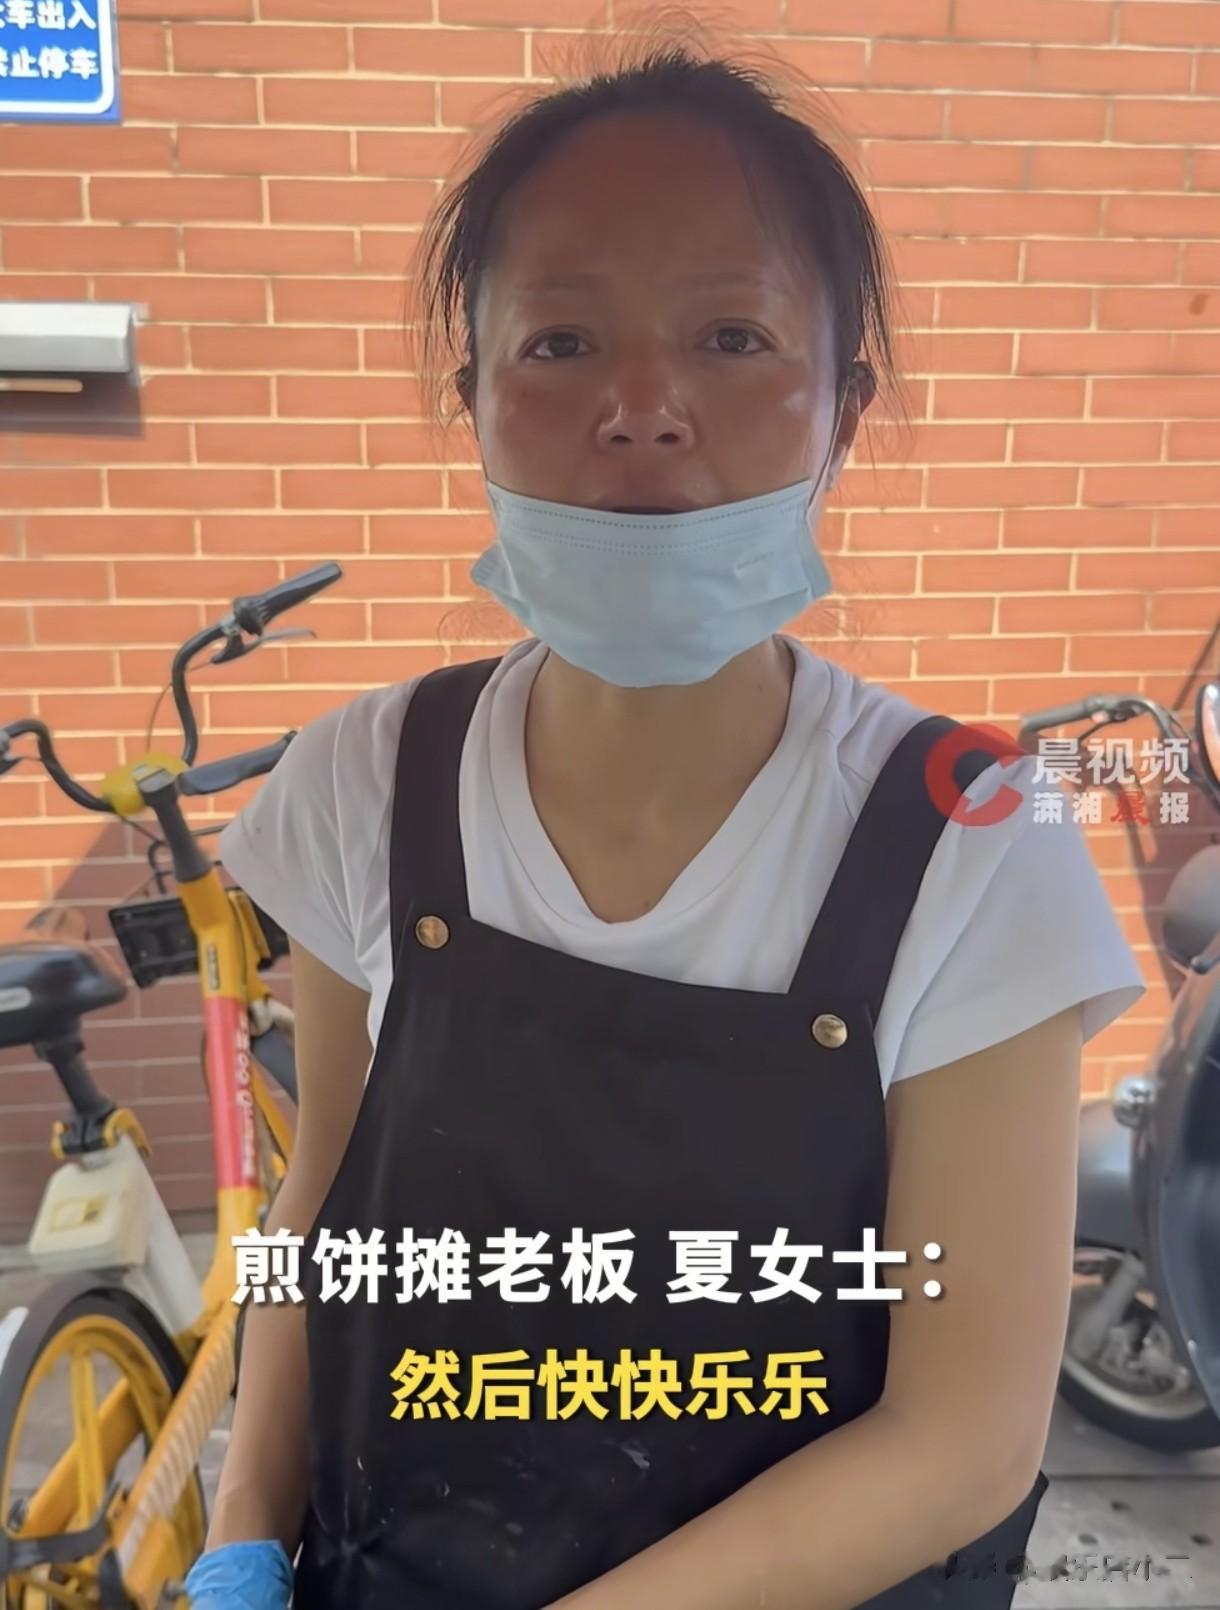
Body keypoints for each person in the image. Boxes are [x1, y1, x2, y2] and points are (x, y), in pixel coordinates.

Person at [185, 26, 1146, 1610]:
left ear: (844, 408)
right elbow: (328, 1210)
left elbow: (966, 1434)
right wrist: (239, 1525)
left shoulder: (970, 838)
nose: (643, 408)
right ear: (472, 398)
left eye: (731, 336)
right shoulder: (363, 781)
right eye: (561, 341)